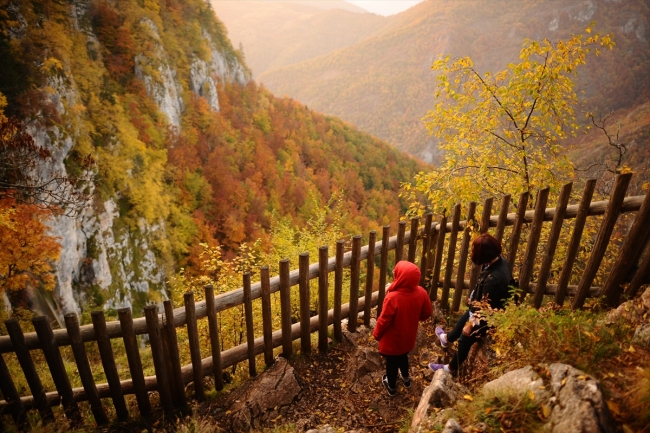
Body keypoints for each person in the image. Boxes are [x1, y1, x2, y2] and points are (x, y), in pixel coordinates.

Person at [429, 233, 513, 375]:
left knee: (464, 339)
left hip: (489, 318)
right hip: (480, 308)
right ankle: (447, 339)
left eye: (475, 251)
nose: (472, 253)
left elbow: (485, 310)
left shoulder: (494, 280)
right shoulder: (499, 262)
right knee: (463, 318)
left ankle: (450, 368)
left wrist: (470, 325)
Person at [373, 260, 432, 396]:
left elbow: (384, 320)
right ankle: (406, 380)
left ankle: (391, 387)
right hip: (408, 337)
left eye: (396, 272)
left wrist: (376, 334)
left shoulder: (393, 297)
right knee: (403, 357)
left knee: (392, 363)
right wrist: (414, 318)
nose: (394, 273)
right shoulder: (421, 292)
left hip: (392, 340)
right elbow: (427, 312)